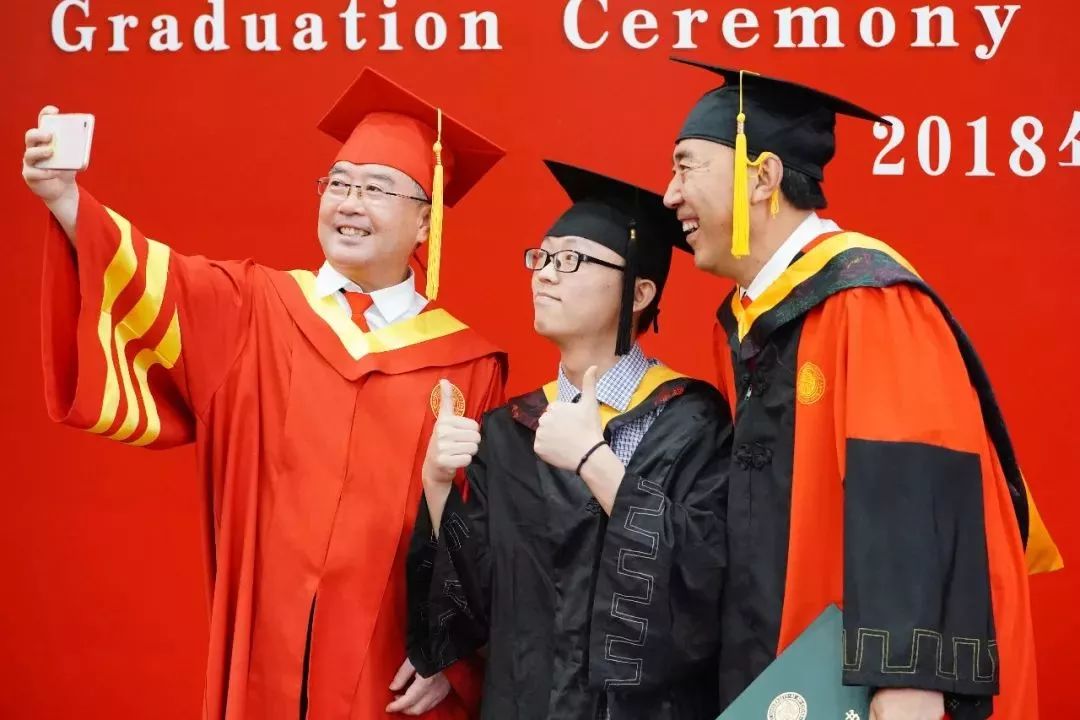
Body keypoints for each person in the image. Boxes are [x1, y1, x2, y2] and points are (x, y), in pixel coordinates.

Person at [21, 67, 507, 719]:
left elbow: (484, 534)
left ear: (425, 224)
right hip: (268, 653)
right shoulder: (254, 307)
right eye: (338, 183)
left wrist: (453, 655)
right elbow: (145, 275)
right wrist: (65, 199)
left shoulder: (467, 364)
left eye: (376, 188)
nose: (349, 203)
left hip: (390, 669)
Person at [662, 59, 1063, 720]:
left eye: (685, 167)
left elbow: (916, 486)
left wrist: (908, 676)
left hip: (873, 684)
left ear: (762, 177)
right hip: (785, 669)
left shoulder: (867, 300)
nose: (669, 194)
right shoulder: (749, 321)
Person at [407, 161, 731, 719]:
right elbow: (466, 617)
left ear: (639, 293)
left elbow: (706, 580)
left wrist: (593, 461)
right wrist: (437, 487)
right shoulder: (509, 430)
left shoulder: (691, 421)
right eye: (542, 258)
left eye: (572, 260)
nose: (545, 275)